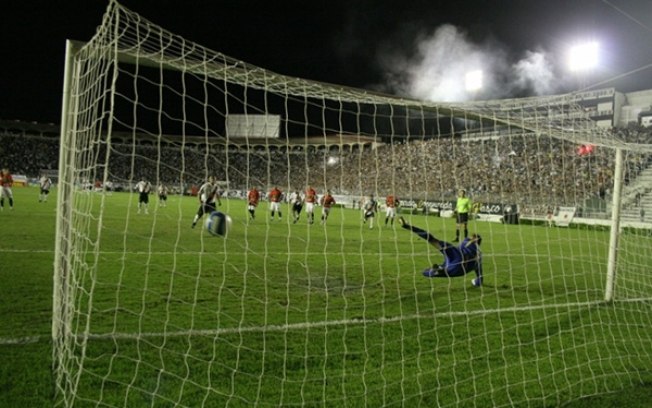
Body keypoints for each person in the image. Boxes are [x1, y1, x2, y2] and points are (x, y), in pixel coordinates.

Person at [399, 217, 483, 286]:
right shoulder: (480, 257)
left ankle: (407, 226)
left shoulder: (467, 241)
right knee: (439, 268)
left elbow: (467, 243)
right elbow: (480, 276)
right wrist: (477, 281)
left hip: (457, 255)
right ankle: (438, 269)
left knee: (432, 240)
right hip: (459, 271)